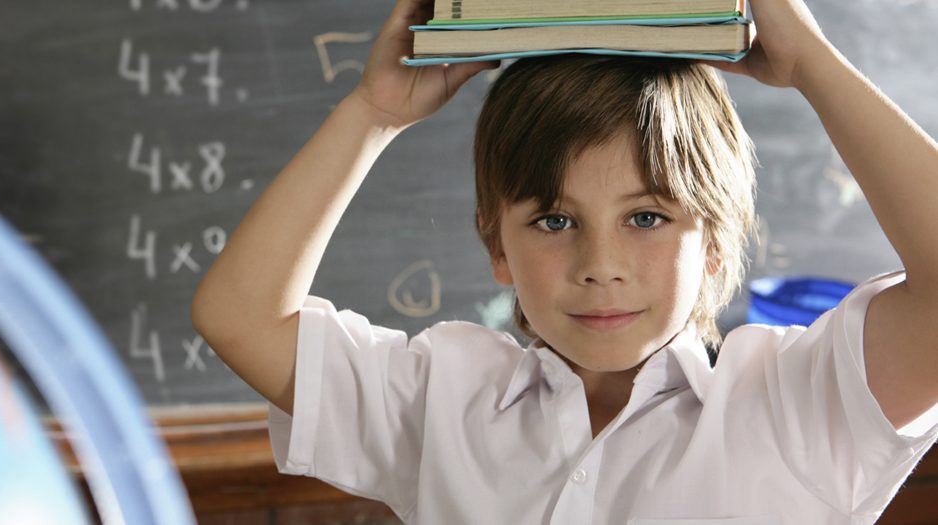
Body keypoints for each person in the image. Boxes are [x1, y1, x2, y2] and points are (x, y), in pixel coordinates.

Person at [191, 0, 938, 521]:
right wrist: (374, 113)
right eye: (554, 220)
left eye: (646, 218)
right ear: (498, 246)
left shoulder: (797, 407)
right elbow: (239, 317)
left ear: (713, 243)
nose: (599, 264)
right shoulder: (441, 401)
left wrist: (813, 63)